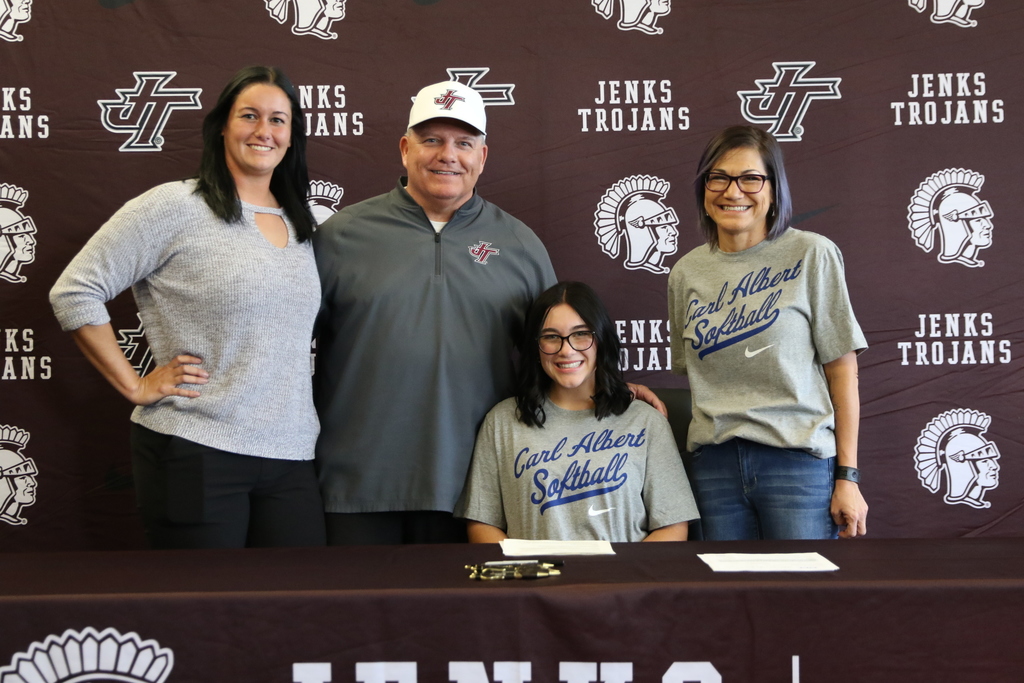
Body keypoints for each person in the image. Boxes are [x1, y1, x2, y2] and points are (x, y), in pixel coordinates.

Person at [314, 81, 665, 545]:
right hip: (355, 486)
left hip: (480, 495)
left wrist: (611, 389)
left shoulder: (519, 245)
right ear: (404, 148)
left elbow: (559, 348)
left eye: (464, 143)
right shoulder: (339, 236)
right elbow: (282, 342)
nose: (448, 155)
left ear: (482, 156)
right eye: (432, 140)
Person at [49, 66, 326, 549]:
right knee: (204, 615)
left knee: (294, 614)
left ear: (291, 136)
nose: (264, 131)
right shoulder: (175, 206)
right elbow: (75, 291)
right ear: (222, 125)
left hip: (292, 454)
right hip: (196, 449)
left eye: (279, 120)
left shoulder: (305, 222)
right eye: (250, 116)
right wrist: (135, 385)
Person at [667, 125, 868, 540]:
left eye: (750, 178)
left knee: (801, 599)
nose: (732, 191)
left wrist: (848, 476)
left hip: (797, 466)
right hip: (714, 469)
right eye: (718, 177)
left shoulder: (813, 254)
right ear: (704, 191)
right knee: (722, 600)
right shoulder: (685, 273)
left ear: (774, 191)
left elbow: (843, 373)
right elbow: (695, 376)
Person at [456, 281, 698, 542]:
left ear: (601, 339)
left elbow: (672, 526)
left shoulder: (645, 421)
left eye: (581, 334)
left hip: (623, 580)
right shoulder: (502, 422)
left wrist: (624, 578)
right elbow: (482, 525)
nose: (566, 350)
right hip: (534, 580)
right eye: (551, 337)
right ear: (536, 347)